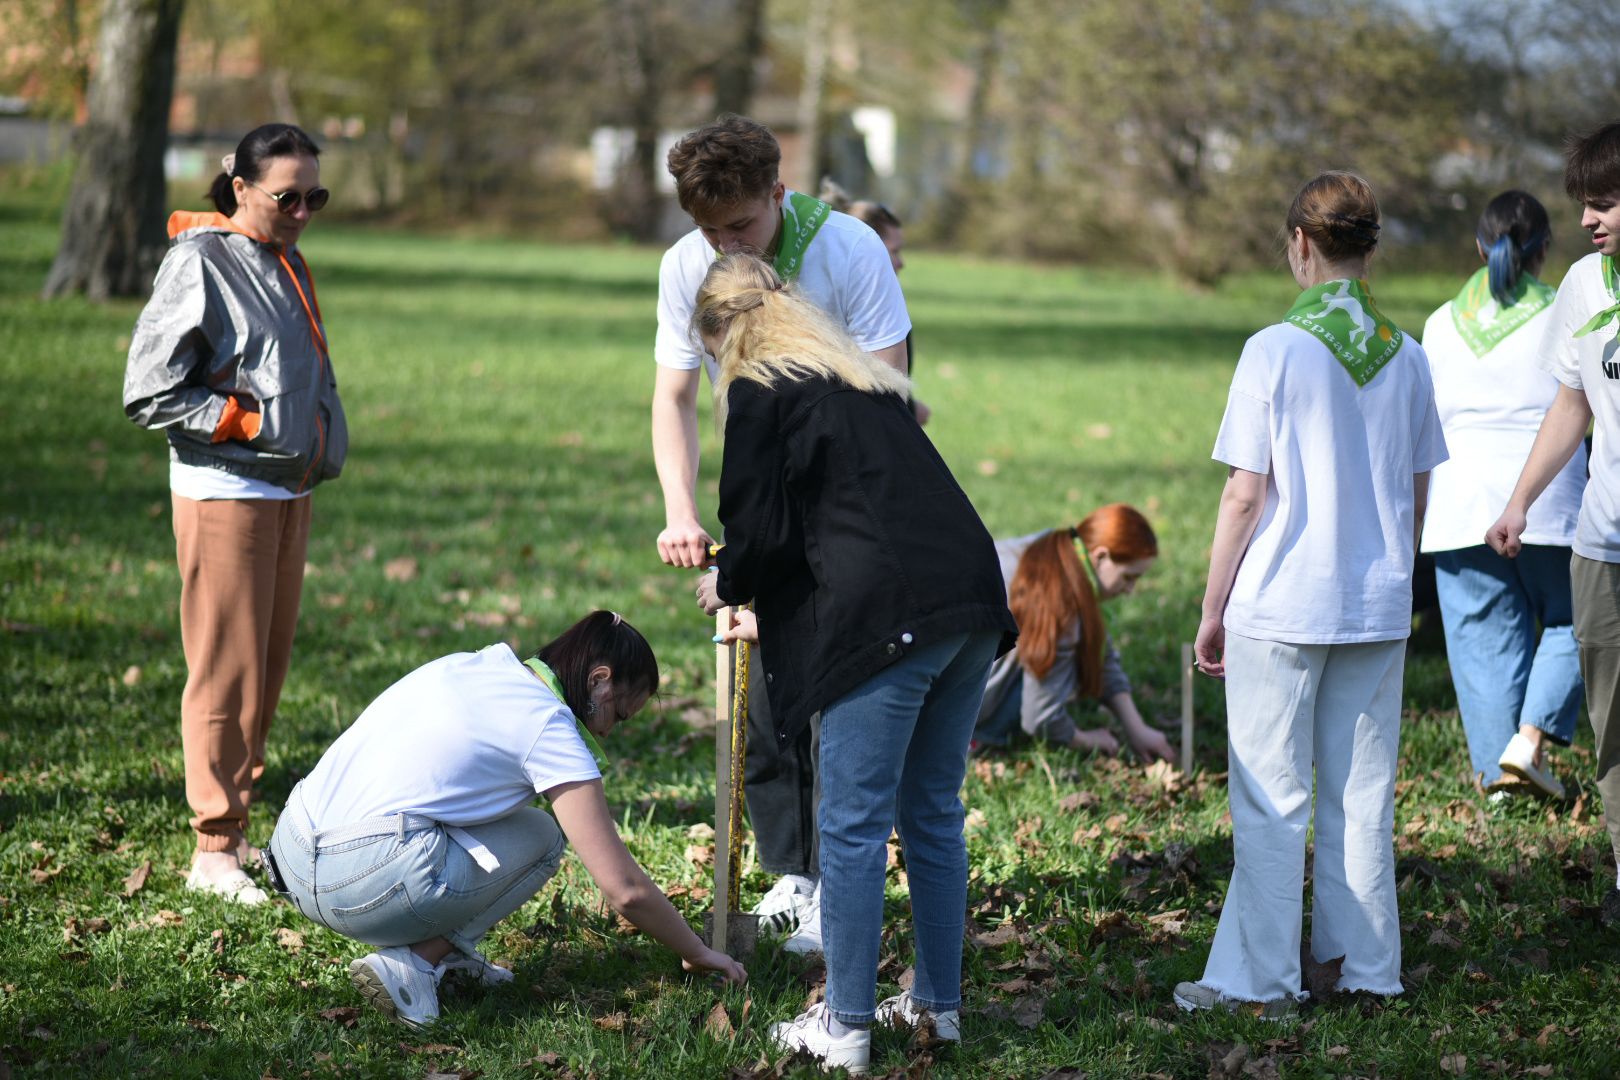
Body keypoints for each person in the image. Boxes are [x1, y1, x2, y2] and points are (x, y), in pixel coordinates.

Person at [690, 254, 1015, 1074]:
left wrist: (726, 581)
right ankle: (938, 1010)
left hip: (888, 617)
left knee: (853, 823)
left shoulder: (760, 389)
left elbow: (757, 528)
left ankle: (846, 1026)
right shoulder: (862, 377)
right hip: (971, 598)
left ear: (719, 334)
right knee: (933, 812)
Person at [1179, 173, 1447, 1016]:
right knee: (1361, 794)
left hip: (1280, 601)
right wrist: (1393, 577)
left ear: (1300, 243)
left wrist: (1212, 606)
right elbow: (1418, 489)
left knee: (1271, 795)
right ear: (1371, 250)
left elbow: (1243, 494)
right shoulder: (1410, 355)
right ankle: (1366, 969)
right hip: (1375, 602)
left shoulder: (1274, 349)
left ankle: (1260, 981)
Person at [652, 115, 912, 946]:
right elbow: (674, 397)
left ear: (778, 193)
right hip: (761, 473)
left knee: (833, 690)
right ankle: (793, 874)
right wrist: (683, 512)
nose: (725, 243)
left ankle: (843, 874)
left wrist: (819, 541)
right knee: (767, 703)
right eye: (708, 229)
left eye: (741, 225)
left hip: (850, 486)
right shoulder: (687, 264)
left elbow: (890, 392)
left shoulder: (849, 250)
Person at [265, 612, 747, 1030]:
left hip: (291, 845)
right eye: (620, 714)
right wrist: (697, 950)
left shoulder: (479, 665)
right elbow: (623, 888)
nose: (610, 731)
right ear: (599, 679)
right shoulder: (547, 726)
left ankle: (443, 953)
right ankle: (415, 965)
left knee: (499, 816)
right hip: (355, 878)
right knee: (541, 837)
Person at [123, 123, 348, 905]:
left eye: (315, 196)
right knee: (224, 672)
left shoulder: (285, 258)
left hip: (289, 492)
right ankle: (211, 849)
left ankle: (237, 832)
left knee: (265, 671)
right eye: (288, 196)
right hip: (226, 491)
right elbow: (151, 387)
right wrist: (246, 425)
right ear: (241, 186)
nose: (303, 210)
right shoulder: (202, 259)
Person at [1487, 119, 1620, 928]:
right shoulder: (1583, 285)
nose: (1585, 221)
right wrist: (1520, 498)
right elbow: (1571, 402)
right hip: (1602, 544)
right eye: (1583, 205)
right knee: (1613, 729)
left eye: (1604, 204)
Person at [1421, 191, 1586, 800]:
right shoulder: (1572, 311)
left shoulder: (1440, 322)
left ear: (1478, 246)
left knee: (1481, 640)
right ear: (1545, 249)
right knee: (1581, 618)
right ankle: (1531, 739)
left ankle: (1499, 789)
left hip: (1458, 504)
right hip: (1552, 497)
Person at [972, 504, 1175, 761]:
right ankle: (978, 737)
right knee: (1070, 660)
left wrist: (1136, 728)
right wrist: (1086, 739)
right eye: (1128, 577)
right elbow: (1040, 718)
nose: (1130, 590)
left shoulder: (1054, 550)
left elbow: (1099, 647)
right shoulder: (1058, 600)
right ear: (1101, 556)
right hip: (960, 704)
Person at [817, 177, 930, 424]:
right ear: (870, 246)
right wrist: (909, 413)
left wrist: (911, 407)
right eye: (894, 251)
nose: (902, 262)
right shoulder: (850, 309)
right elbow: (873, 381)